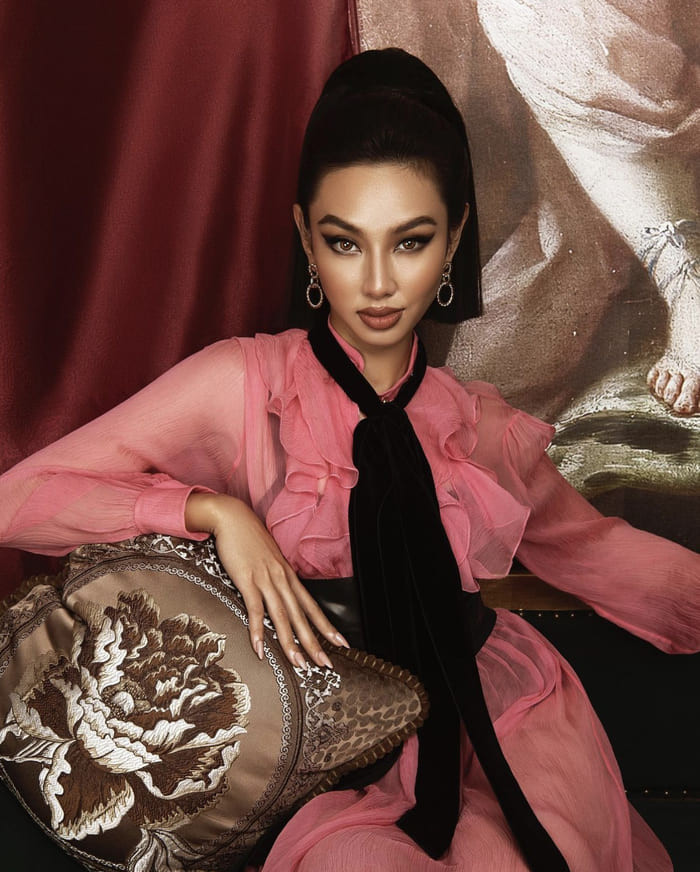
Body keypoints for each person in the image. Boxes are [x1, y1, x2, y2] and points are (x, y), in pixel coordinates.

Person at [0, 48, 698, 872]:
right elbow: (20, 498)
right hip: (320, 740)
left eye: (410, 242)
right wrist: (211, 512)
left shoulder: (480, 427)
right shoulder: (244, 383)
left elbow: (600, 553)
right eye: (343, 242)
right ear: (306, 235)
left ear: (454, 239)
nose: (376, 283)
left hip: (494, 717)